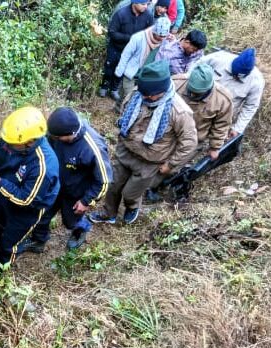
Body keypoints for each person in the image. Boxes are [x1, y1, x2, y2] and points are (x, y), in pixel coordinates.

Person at [90, 60, 198, 225]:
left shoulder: (179, 112)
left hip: (149, 162)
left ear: (161, 90)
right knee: (113, 185)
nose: (145, 97)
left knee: (130, 193)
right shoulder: (138, 93)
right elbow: (124, 112)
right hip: (126, 150)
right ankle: (108, 213)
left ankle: (132, 206)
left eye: (150, 95)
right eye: (143, 93)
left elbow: (189, 143)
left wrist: (170, 165)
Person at [0, 107, 60, 265]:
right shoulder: (12, 139)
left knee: (9, 243)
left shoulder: (44, 167)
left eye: (12, 143)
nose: (7, 144)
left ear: (29, 142)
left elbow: (27, 200)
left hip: (29, 207)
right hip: (6, 187)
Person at [25, 108, 112, 252]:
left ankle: (79, 232)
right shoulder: (56, 132)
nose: (53, 139)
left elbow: (104, 181)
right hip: (54, 185)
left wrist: (86, 201)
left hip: (76, 192)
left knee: (71, 221)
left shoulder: (93, 147)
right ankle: (38, 241)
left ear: (71, 134)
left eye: (58, 138)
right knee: (42, 213)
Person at [146, 63, 233, 200]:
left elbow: (221, 125)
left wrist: (215, 147)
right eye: (191, 91)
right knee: (154, 159)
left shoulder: (223, 99)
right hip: (167, 132)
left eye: (197, 93)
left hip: (194, 139)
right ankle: (145, 184)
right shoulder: (175, 83)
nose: (192, 95)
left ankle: (156, 186)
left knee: (172, 166)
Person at [199, 48, 265, 137]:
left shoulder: (256, 81)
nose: (235, 78)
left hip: (222, 118)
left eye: (238, 78)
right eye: (234, 74)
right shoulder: (218, 58)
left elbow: (251, 106)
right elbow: (195, 68)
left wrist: (238, 128)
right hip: (199, 106)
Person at [100, 0, 154, 101]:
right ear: (134, 3)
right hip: (116, 47)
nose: (146, 7)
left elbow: (150, 32)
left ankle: (114, 89)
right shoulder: (121, 13)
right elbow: (112, 32)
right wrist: (131, 38)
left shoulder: (148, 16)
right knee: (110, 67)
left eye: (147, 4)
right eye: (143, 4)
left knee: (123, 69)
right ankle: (104, 86)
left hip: (133, 51)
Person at [115, 16, 172, 102]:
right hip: (132, 73)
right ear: (154, 31)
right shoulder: (139, 38)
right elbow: (126, 54)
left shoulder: (166, 42)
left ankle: (123, 109)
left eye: (164, 36)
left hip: (147, 76)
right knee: (128, 96)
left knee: (137, 100)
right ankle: (119, 108)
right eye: (159, 35)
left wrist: (172, 42)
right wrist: (119, 71)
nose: (161, 38)